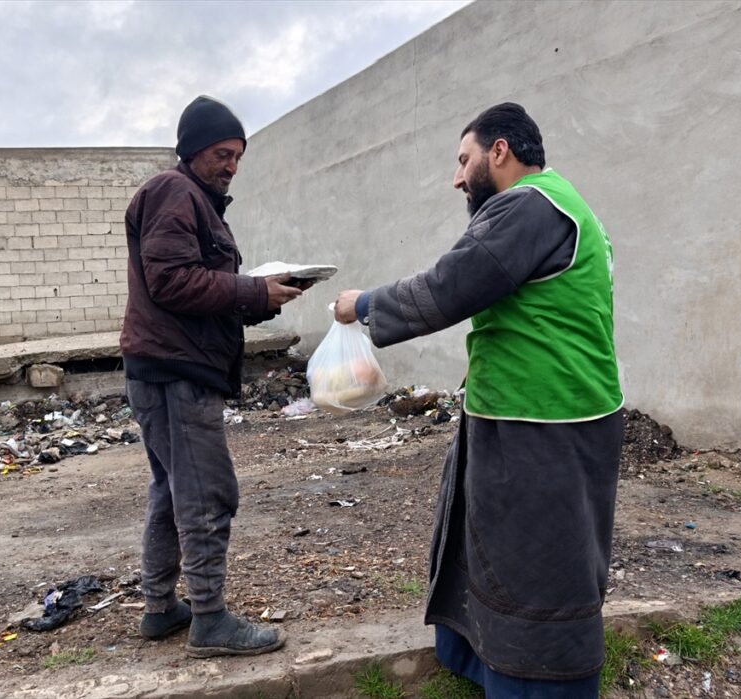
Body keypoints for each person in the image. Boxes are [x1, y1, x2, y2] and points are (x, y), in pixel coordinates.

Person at [334, 102, 623, 697]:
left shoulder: (530, 205)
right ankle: (479, 662)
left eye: (464, 160)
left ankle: (537, 684)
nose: (457, 177)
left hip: (544, 422)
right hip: (530, 412)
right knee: (495, 548)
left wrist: (363, 305)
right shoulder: (560, 203)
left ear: (500, 152)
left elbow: (451, 284)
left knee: (536, 564)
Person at [120, 95, 306, 657]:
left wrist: (267, 297)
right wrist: (251, 289)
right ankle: (209, 621)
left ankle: (160, 608)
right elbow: (173, 282)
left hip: (166, 366)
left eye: (238, 157)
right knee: (206, 494)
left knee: (172, 492)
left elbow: (198, 289)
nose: (231, 165)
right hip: (177, 373)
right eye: (222, 153)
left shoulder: (193, 201)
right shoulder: (175, 193)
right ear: (193, 150)